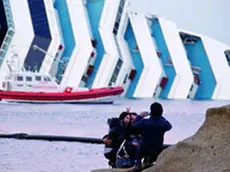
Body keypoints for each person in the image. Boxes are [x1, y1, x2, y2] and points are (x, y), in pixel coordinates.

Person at [132, 102, 172, 172]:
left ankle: (138, 164)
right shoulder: (163, 123)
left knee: (139, 147)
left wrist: (140, 116)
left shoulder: (144, 122)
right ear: (161, 111)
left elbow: (134, 126)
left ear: (151, 111)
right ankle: (149, 160)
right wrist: (159, 116)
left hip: (143, 148)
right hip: (157, 148)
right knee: (169, 146)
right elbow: (169, 126)